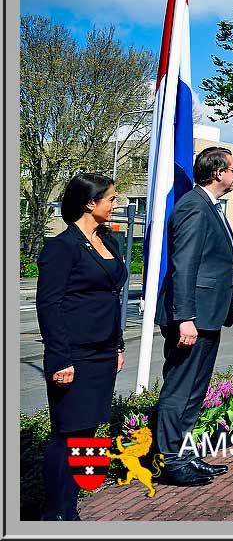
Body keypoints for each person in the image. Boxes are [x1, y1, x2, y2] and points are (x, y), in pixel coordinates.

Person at [36, 173, 127, 519]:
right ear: (90, 203)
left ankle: (72, 507)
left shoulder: (110, 242)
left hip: (103, 352)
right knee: (68, 434)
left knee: (88, 433)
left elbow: (113, 299)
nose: (117, 204)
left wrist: (117, 345)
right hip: (73, 355)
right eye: (112, 199)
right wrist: (60, 358)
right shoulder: (61, 248)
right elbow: (49, 306)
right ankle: (56, 514)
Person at [155, 147, 233, 487]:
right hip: (192, 317)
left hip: (209, 315)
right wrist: (185, 317)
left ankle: (184, 453)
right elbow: (184, 266)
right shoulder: (193, 206)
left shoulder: (211, 207)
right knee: (180, 387)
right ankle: (169, 459)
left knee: (195, 390)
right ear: (218, 172)